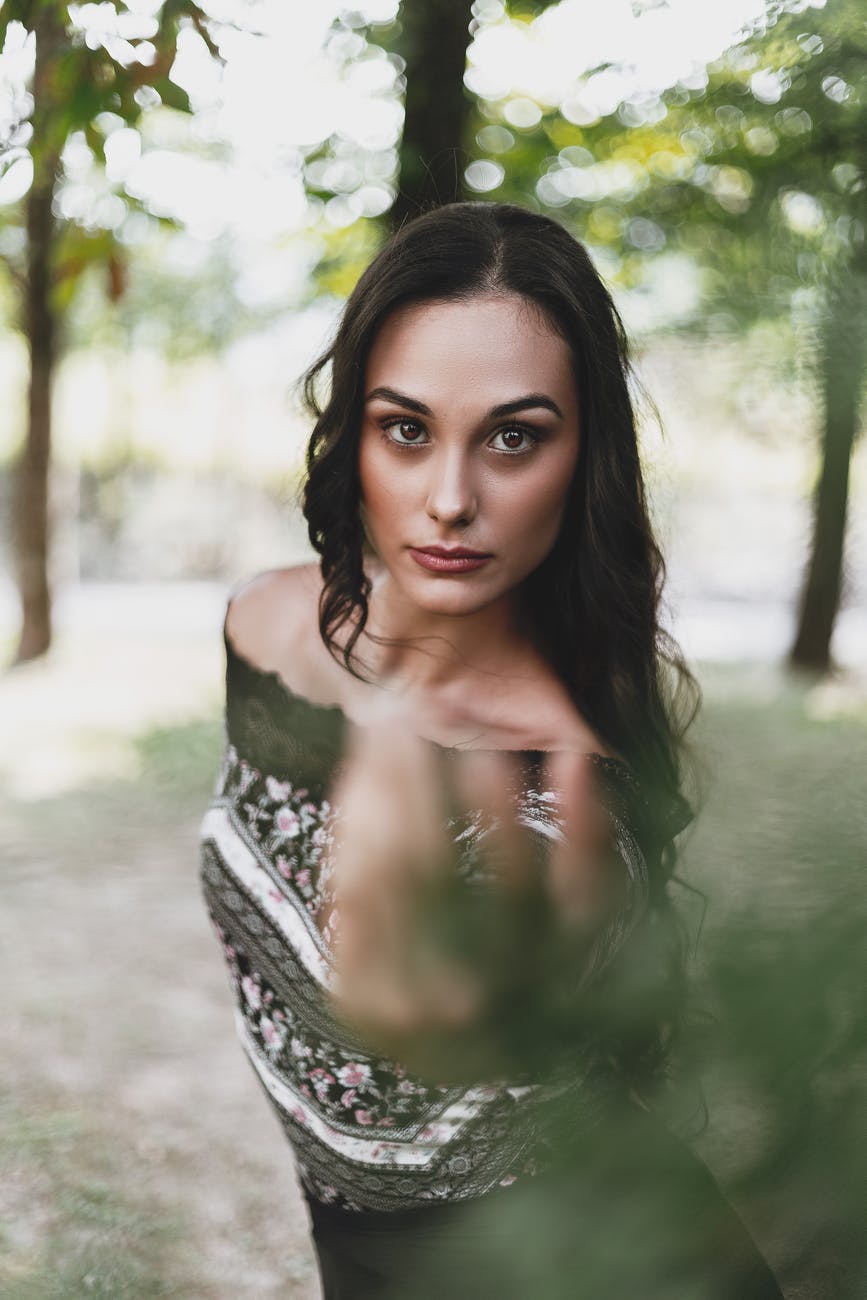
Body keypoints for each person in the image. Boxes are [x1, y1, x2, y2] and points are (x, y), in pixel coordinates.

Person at [198, 201, 784, 1298]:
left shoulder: (566, 786)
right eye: (406, 428)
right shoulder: (263, 624)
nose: (451, 499)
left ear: (584, 454)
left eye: (515, 435)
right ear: (355, 434)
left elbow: (522, 946)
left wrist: (470, 994)